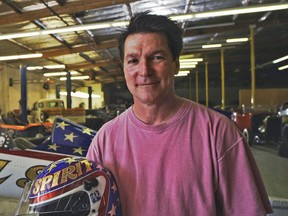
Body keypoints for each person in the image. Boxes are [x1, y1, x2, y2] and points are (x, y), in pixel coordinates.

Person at [87, 11, 273, 215]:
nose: (145, 70)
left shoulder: (218, 132)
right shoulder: (105, 140)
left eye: (157, 57)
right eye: (133, 60)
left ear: (176, 64)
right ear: (123, 68)